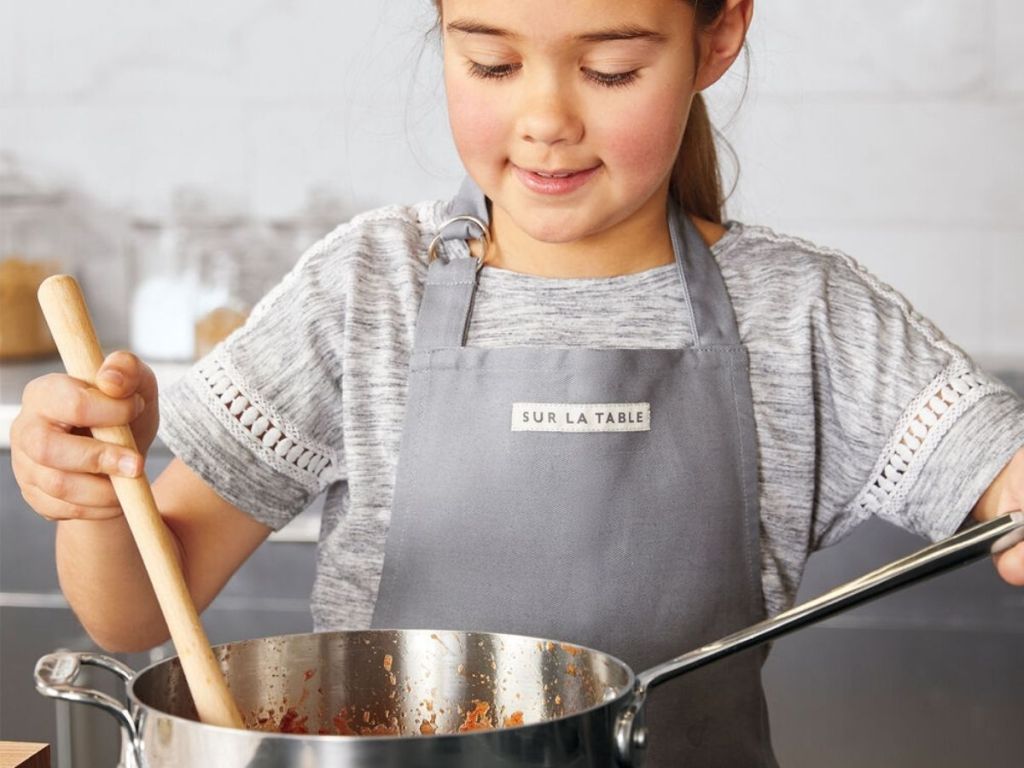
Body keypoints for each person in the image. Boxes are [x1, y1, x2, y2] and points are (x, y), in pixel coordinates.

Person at [11, 0, 1024, 764]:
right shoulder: (367, 290)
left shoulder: (801, 313)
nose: (543, 119)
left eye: (613, 69)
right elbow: (137, 615)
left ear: (716, 41)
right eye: (489, 61)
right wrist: (97, 494)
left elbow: (1000, 481)